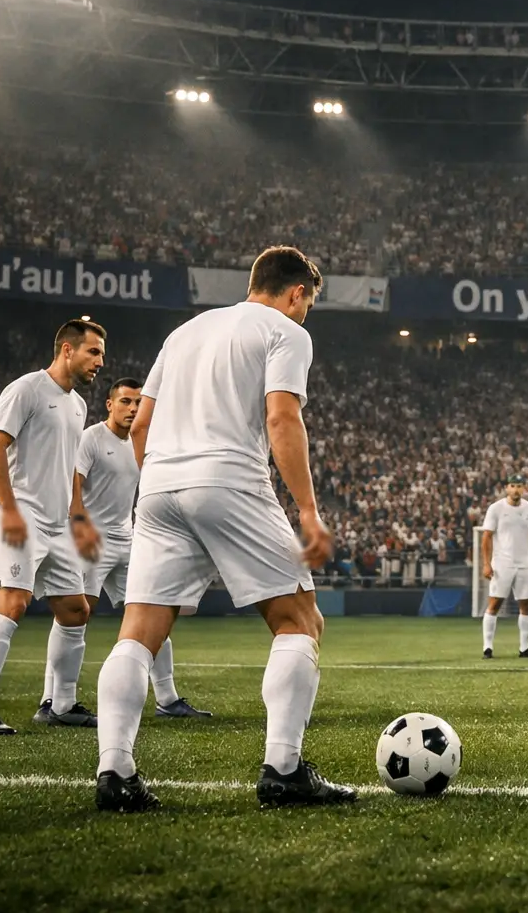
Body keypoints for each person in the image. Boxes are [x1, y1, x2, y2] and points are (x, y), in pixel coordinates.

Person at [93, 246, 350, 812]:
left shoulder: (184, 332)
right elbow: (282, 416)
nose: (306, 312)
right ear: (296, 293)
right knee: (299, 620)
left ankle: (115, 772)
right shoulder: (286, 331)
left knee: (137, 633)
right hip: (229, 478)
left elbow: (142, 426)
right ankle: (283, 769)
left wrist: (164, 480)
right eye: (308, 302)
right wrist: (308, 512)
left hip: (158, 486)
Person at [0, 319, 106, 735]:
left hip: (57, 522)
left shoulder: (77, 405)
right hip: (19, 512)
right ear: (66, 350)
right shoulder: (25, 389)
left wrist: (76, 519)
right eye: (93, 352)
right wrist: (7, 510)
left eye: (101, 354)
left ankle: (59, 704)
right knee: (13, 603)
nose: (99, 362)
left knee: (76, 610)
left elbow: (65, 471)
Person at [38, 378, 210, 724]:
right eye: (126, 402)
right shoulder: (92, 438)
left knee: (156, 612)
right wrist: (80, 524)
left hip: (128, 540)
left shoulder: (144, 442)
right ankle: (51, 700)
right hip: (91, 541)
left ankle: (167, 698)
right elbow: (75, 481)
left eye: (137, 403)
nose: (132, 409)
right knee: (74, 616)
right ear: (109, 404)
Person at [479, 474, 528, 659]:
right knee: (494, 603)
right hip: (502, 563)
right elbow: (486, 537)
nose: (516, 489)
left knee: (526, 605)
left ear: (524, 488)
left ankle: (525, 648)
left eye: (519, 486)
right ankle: (487, 647)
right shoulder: (496, 508)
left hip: (524, 563)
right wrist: (486, 563)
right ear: (506, 488)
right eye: (513, 485)